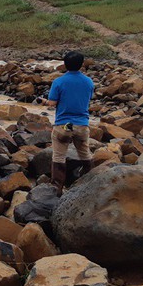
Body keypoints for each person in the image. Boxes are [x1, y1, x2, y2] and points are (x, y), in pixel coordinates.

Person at [42, 51, 94, 192]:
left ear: (64, 65)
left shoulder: (59, 81)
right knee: (85, 153)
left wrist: (45, 101)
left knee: (59, 156)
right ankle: (88, 182)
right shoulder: (88, 82)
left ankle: (57, 187)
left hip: (64, 125)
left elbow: (52, 103)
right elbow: (88, 98)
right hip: (82, 125)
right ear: (82, 64)